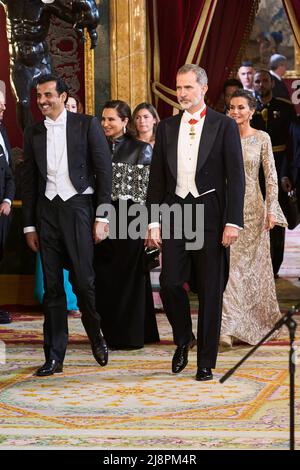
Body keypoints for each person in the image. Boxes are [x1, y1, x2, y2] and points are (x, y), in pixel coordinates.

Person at [146, 64, 245, 382]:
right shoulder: (166, 128)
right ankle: (183, 338)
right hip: (176, 213)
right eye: (179, 87)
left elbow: (236, 178)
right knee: (171, 283)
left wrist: (233, 221)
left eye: (188, 87)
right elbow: (157, 180)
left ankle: (205, 362)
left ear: (203, 88)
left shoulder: (224, 126)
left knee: (210, 291)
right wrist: (152, 222)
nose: (182, 93)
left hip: (212, 215)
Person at [21, 74, 112, 376]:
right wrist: (29, 226)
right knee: (53, 288)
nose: (43, 101)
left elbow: (104, 172)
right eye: (38, 96)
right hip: (47, 213)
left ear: (62, 96)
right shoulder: (33, 132)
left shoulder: (86, 125)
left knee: (84, 283)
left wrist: (101, 217)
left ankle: (95, 334)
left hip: (78, 209)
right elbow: (30, 182)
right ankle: (54, 356)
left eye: (48, 95)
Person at [220, 90, 287, 348]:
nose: (235, 112)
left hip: (254, 210)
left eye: (240, 107)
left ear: (251, 111)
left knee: (252, 270)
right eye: (231, 108)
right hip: (227, 210)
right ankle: (226, 327)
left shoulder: (262, 138)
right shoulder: (221, 138)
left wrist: (272, 210)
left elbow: (270, 177)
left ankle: (252, 324)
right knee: (230, 270)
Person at [94, 100, 160, 349]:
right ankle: (110, 333)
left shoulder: (141, 148)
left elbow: (147, 191)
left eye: (111, 119)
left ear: (124, 121)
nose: (106, 124)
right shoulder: (96, 146)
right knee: (105, 277)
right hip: (102, 216)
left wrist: (149, 225)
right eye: (103, 119)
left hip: (130, 218)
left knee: (129, 279)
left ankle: (130, 336)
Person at [0, 0, 100, 130]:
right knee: (22, 103)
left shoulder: (44, 4)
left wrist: (86, 6)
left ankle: (59, 135)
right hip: (19, 64)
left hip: (40, 63)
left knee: (54, 102)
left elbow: (73, 17)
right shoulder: (8, 2)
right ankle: (30, 141)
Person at [34, 93, 83, 315]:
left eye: (74, 106)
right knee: (53, 269)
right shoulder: (38, 132)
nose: (71, 109)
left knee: (78, 267)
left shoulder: (86, 132)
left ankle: (77, 303)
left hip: (75, 211)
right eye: (68, 105)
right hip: (49, 210)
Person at [251, 69, 296, 277]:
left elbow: (292, 143)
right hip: (254, 169)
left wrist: (287, 173)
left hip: (278, 166)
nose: (261, 85)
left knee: (276, 218)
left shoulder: (285, 108)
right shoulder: (247, 107)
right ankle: (257, 266)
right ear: (252, 84)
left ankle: (274, 266)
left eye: (265, 81)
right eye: (257, 81)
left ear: (271, 83)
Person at [0, 88, 15, 324]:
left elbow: (10, 173)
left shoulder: (2, 130)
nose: (3, 108)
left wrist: (8, 199)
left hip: (3, 210)